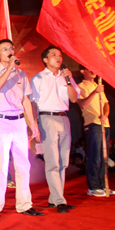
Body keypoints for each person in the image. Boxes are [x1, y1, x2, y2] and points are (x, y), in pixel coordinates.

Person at [0, 39, 43, 218]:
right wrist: (10, 68)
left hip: (19, 121)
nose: (9, 51)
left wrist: (32, 123)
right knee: (0, 164)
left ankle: (25, 205)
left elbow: (25, 100)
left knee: (23, 164)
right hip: (1, 120)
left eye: (11, 48)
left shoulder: (21, 74)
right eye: (4, 49)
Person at [30, 45, 79, 213]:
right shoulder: (38, 78)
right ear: (45, 59)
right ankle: (59, 200)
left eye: (60, 55)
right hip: (46, 118)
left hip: (64, 118)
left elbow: (74, 99)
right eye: (53, 55)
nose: (58, 58)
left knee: (63, 162)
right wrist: (34, 124)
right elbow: (32, 102)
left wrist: (68, 80)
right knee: (53, 161)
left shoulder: (66, 76)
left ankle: (54, 198)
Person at [77, 66, 115, 197]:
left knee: (103, 156)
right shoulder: (80, 86)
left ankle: (103, 185)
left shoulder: (98, 85)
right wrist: (95, 92)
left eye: (93, 68)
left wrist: (105, 115)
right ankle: (93, 187)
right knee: (95, 156)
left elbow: (106, 104)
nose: (92, 71)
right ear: (82, 71)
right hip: (92, 123)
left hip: (104, 123)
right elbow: (82, 104)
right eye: (89, 69)